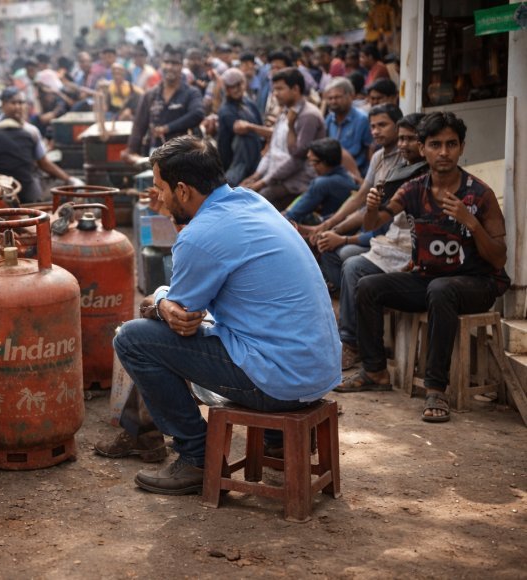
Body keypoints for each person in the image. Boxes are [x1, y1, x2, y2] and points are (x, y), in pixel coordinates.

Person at [101, 135, 339, 494]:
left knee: (133, 339)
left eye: (161, 189)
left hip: (279, 382)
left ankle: (197, 457)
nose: (159, 198)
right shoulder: (253, 201)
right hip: (317, 370)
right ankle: (277, 440)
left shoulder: (201, 235)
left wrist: (161, 301)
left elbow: (181, 316)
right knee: (233, 322)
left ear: (183, 190)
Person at [337, 112, 508, 424]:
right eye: (435, 144)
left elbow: (499, 259)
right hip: (428, 279)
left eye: (451, 144)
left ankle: (436, 389)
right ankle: (375, 371)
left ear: (462, 147)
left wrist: (471, 222)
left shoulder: (479, 194)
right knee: (368, 285)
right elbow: (375, 223)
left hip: (477, 283)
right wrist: (372, 208)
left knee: (441, 290)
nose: (443, 152)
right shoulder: (413, 189)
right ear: (423, 148)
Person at [338, 112, 427, 370]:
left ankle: (355, 345)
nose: (404, 145)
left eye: (410, 139)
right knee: (348, 262)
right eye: (402, 139)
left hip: (415, 254)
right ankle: (354, 339)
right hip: (391, 244)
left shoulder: (426, 176)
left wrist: (345, 235)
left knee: (353, 266)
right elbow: (374, 221)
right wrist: (371, 208)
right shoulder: (400, 172)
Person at [314, 104, 404, 292]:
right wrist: (331, 226)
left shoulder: (404, 159)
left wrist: (340, 235)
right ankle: (349, 296)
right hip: (371, 224)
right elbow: (360, 198)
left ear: (398, 126)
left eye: (382, 125)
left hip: (388, 232)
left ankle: (353, 297)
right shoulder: (378, 157)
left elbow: (373, 209)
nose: (376, 131)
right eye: (373, 126)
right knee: (325, 243)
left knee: (344, 252)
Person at [0, 87, 80, 204]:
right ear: (3, 105)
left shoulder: (32, 131)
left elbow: (43, 162)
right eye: (13, 103)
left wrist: (68, 179)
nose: (18, 107)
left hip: (25, 184)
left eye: (21, 103)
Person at [239, 67, 326, 210]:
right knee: (243, 191)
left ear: (295, 89)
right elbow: (272, 150)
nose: (275, 94)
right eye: (274, 89)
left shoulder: (308, 116)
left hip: (297, 180)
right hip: (276, 176)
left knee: (254, 202)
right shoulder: (286, 111)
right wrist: (256, 176)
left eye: (280, 89)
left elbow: (297, 158)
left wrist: (262, 182)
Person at [122, 47, 204, 164]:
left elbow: (197, 114)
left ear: (181, 66)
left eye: (174, 63)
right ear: (161, 64)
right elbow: (139, 126)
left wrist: (167, 128)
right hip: (156, 153)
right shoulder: (150, 95)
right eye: (166, 62)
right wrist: (131, 150)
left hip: (184, 155)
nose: (169, 67)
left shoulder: (191, 93)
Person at [284, 137, 354, 224]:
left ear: (325, 161)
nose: (312, 167)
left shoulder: (322, 183)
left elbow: (293, 215)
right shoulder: (348, 177)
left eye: (313, 162)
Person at [214, 68, 263, 186]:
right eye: (232, 86)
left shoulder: (249, 103)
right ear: (226, 89)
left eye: (239, 84)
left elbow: (260, 125)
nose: (237, 89)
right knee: (244, 139)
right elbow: (240, 129)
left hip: (255, 156)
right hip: (234, 160)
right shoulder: (225, 110)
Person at [323, 77, 373, 176]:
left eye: (337, 97)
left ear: (351, 96)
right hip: (333, 172)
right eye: (330, 98)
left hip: (356, 173)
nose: (333, 102)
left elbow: (370, 151)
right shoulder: (329, 119)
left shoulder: (362, 120)